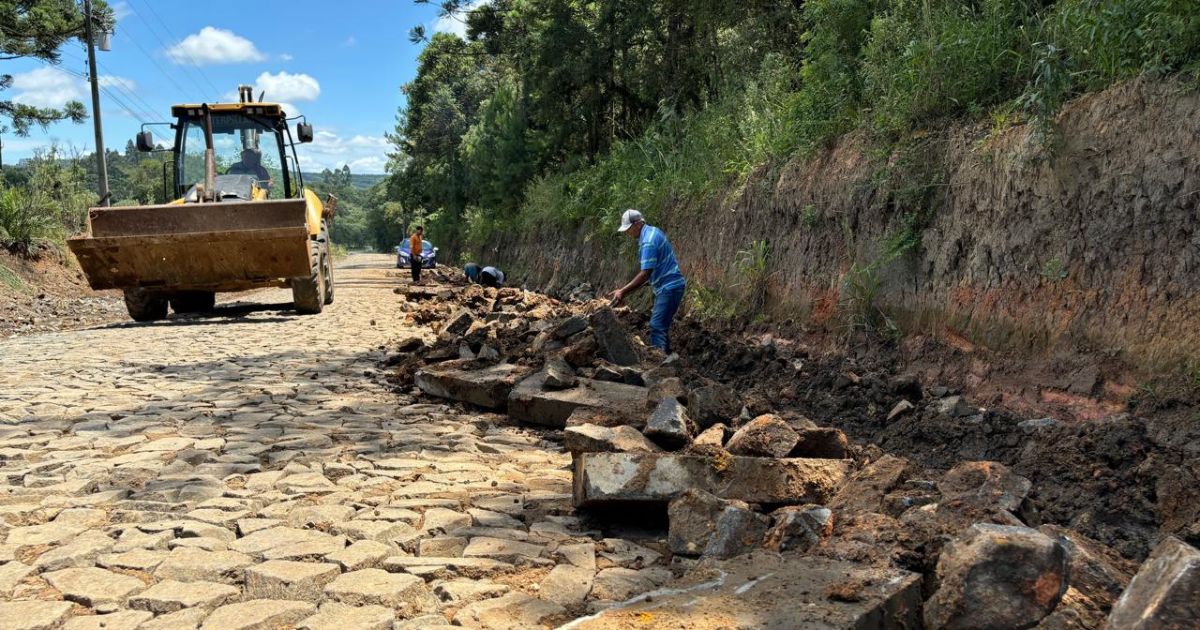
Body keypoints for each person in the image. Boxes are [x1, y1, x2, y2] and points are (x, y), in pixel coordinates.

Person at [608, 209, 686, 353]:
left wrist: (623, 291)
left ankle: (660, 364)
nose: (627, 233)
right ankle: (668, 360)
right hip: (670, 285)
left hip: (669, 287)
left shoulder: (648, 242)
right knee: (661, 325)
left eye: (628, 229)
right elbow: (651, 273)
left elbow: (645, 273)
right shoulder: (652, 232)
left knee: (656, 325)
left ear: (638, 224)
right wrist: (625, 292)